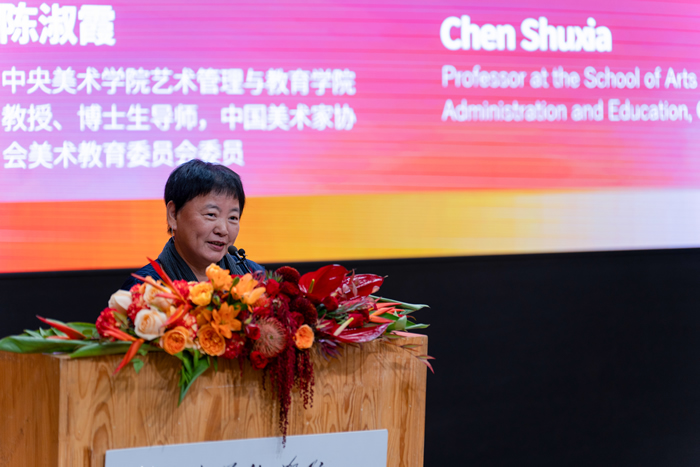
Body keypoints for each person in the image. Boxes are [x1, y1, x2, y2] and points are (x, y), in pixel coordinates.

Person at [121, 160, 264, 290]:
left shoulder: (254, 277)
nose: (223, 230)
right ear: (173, 215)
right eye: (211, 214)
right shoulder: (144, 289)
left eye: (232, 218)